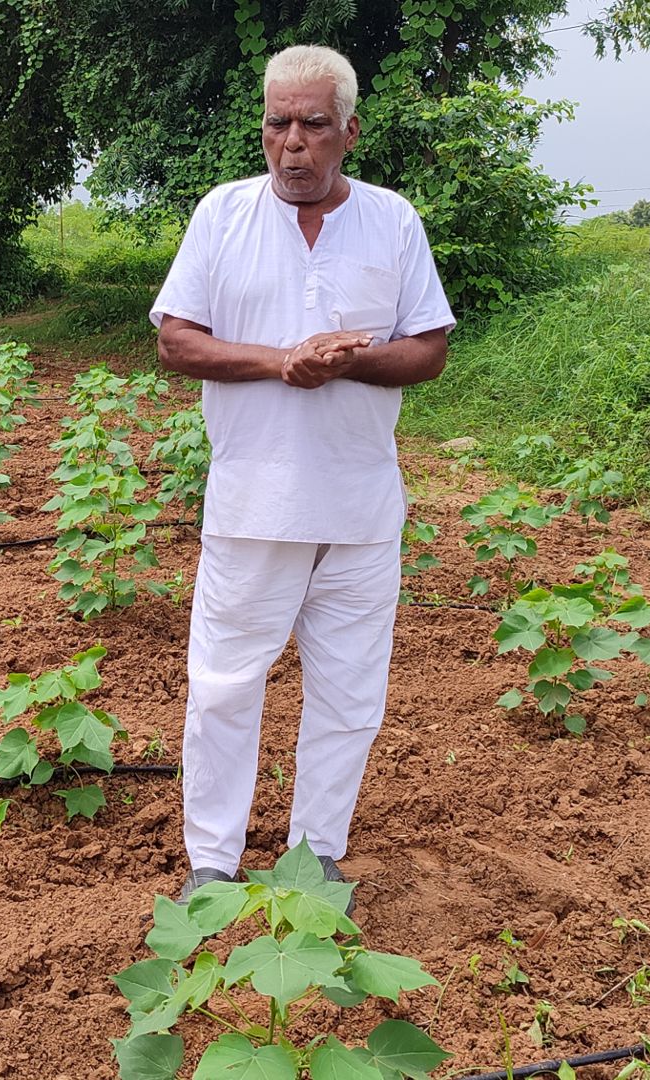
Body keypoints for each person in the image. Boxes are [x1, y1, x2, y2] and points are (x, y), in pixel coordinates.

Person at [150, 43, 455, 909]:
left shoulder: (392, 221)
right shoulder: (223, 215)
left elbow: (429, 348)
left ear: (349, 132)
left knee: (351, 692)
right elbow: (177, 340)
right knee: (222, 689)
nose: (293, 143)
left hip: (361, 507)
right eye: (278, 124)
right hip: (255, 502)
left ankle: (316, 854)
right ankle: (212, 863)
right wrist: (287, 360)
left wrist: (348, 361)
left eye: (313, 126)